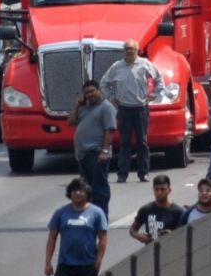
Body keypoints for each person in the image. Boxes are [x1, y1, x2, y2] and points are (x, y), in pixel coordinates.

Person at [100, 39, 165, 183]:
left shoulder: (145, 64)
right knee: (124, 142)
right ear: (123, 51)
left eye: (132, 49)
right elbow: (103, 83)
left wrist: (155, 94)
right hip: (124, 109)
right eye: (127, 49)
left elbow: (159, 79)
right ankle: (122, 174)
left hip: (141, 108)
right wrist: (111, 97)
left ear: (137, 51)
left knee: (142, 142)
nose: (129, 51)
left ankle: (143, 173)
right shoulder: (116, 67)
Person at [44, 178, 108, 276]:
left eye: (80, 190)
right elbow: (52, 237)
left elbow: (103, 238)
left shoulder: (96, 213)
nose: (77, 193)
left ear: (87, 193)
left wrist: (98, 261)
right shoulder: (61, 212)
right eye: (74, 190)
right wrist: (48, 262)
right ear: (70, 193)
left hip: (87, 266)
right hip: (65, 266)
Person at [67, 80, 116, 218]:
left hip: (96, 154)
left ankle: (102, 218)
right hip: (83, 155)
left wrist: (105, 151)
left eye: (92, 91)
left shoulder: (106, 107)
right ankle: (91, 217)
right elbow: (70, 122)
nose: (90, 95)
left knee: (99, 189)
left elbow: (110, 129)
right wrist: (77, 105)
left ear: (99, 90)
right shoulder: (84, 108)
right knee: (87, 190)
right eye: (87, 92)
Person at [128, 174, 184, 244]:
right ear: (153, 189)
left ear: (169, 190)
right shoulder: (145, 210)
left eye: (162, 189)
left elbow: (184, 234)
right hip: (151, 251)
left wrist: (172, 234)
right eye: (156, 189)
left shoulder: (178, 212)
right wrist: (138, 236)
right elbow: (132, 229)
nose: (159, 193)